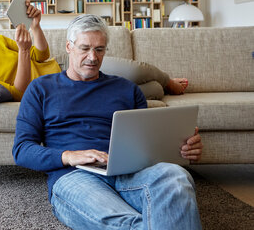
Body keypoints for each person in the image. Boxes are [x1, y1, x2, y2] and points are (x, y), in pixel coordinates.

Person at [12, 14, 203, 230]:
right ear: (69, 47)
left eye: (100, 49)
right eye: (84, 48)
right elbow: (22, 150)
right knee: (127, 224)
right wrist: (70, 156)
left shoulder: (127, 89)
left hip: (129, 174)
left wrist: (182, 147)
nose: (93, 57)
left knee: (177, 178)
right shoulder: (41, 88)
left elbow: (147, 145)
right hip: (74, 177)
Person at [0, 1, 189, 101]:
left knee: (136, 70)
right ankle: (159, 88)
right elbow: (20, 92)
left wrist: (36, 26)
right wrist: (23, 53)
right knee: (144, 91)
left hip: (61, 63)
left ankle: (166, 81)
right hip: (56, 83)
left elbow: (42, 56)